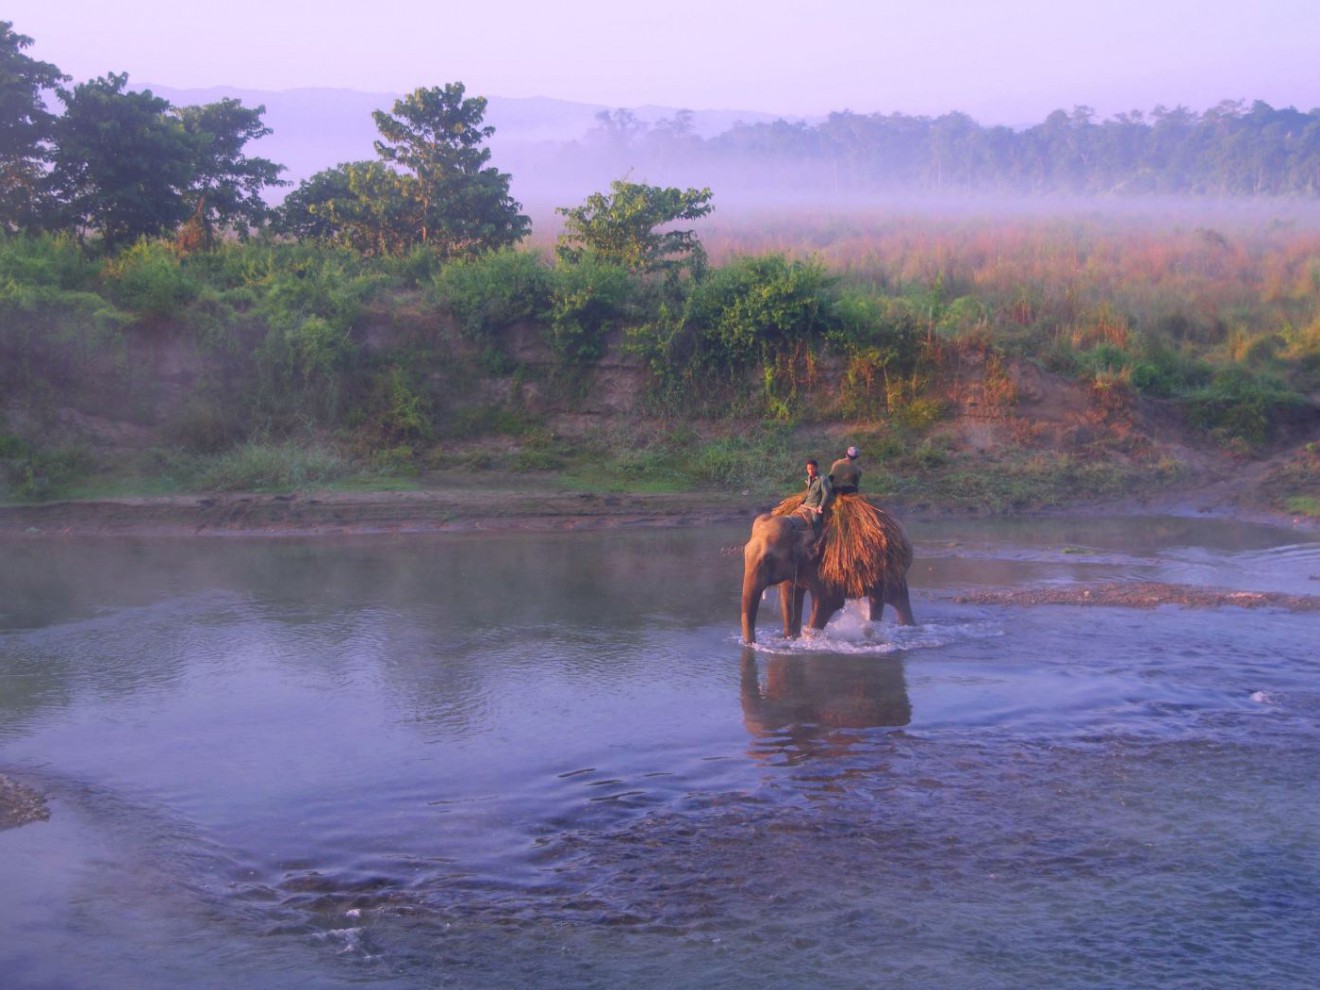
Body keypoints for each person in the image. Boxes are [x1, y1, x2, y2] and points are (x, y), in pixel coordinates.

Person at [796, 458, 832, 540]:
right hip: (806, 505)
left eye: (812, 468)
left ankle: (818, 539)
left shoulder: (822, 479)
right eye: (808, 469)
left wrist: (820, 506)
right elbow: (809, 492)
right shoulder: (809, 478)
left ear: (817, 468)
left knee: (815, 519)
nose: (811, 470)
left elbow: (826, 494)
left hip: (815, 506)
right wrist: (802, 501)